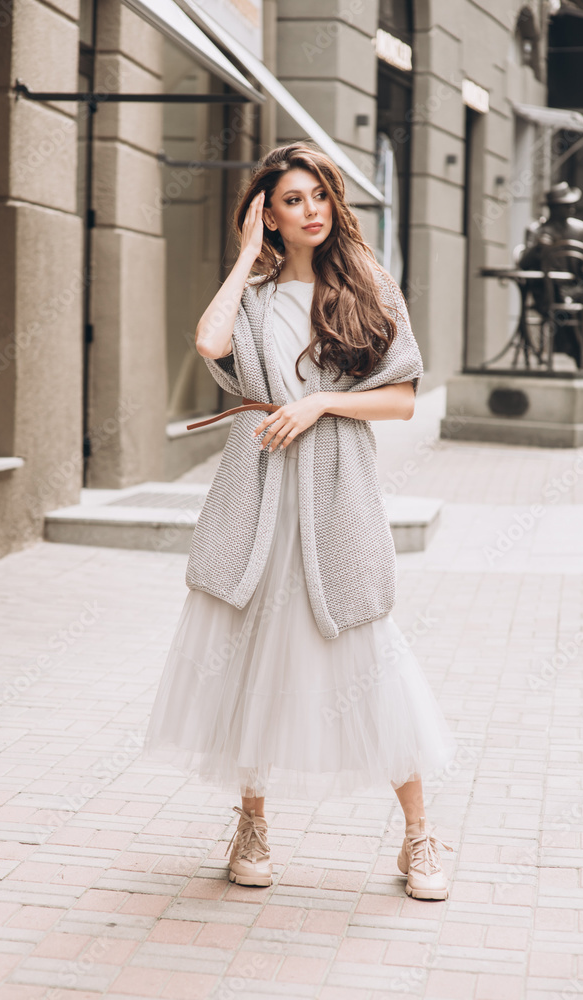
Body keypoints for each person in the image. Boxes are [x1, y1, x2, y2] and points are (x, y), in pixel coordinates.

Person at [142, 143, 457, 901]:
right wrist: (247, 254)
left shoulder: (368, 284)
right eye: (290, 200)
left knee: (366, 650)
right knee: (248, 655)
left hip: (334, 495)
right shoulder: (251, 295)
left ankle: (418, 835)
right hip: (255, 496)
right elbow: (211, 344)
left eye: (319, 195)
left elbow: (401, 397)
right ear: (268, 213)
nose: (310, 209)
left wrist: (319, 402)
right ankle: (251, 823)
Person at [517, 181, 583, 369]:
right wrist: (537, 248)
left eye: (572, 204)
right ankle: (580, 354)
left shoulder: (579, 229)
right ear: (554, 208)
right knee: (563, 303)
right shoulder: (537, 230)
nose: (572, 209)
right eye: (567, 205)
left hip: (576, 286)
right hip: (547, 290)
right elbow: (522, 263)